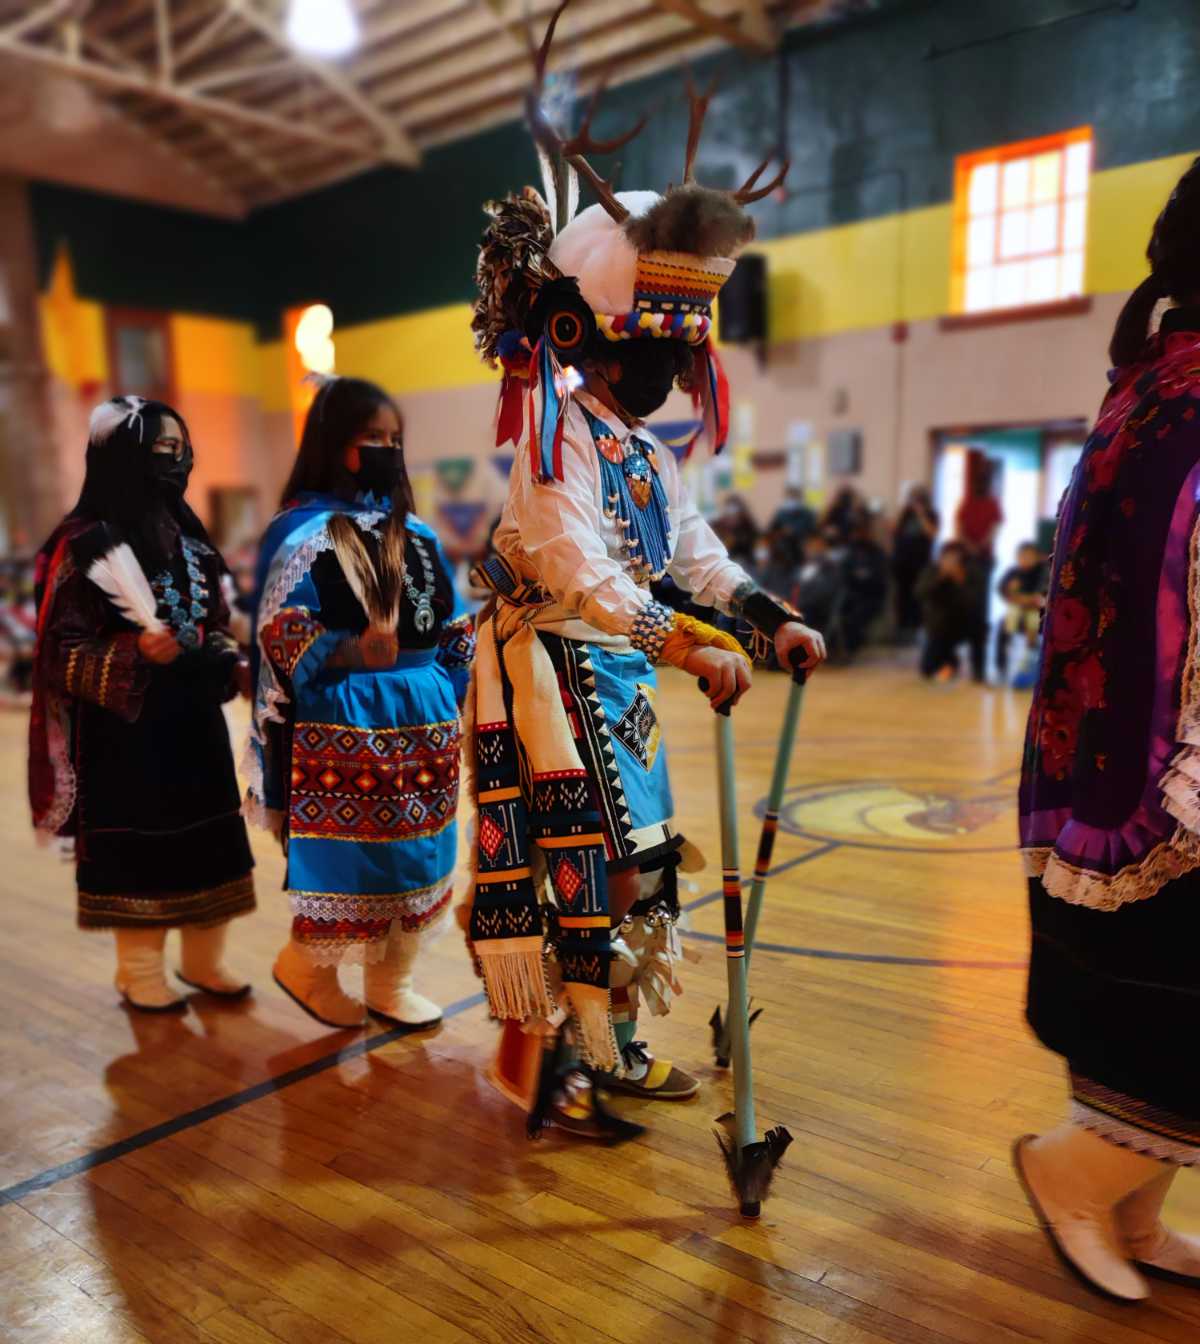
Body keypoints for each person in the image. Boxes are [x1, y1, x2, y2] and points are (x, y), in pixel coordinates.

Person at [466, 34, 825, 1138]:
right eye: (653, 348)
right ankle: (583, 1054)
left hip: (617, 670)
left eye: (681, 353)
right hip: (549, 668)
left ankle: (600, 1041)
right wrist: (683, 645)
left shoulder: (647, 451)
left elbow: (693, 551)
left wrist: (766, 618)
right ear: (595, 339)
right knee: (592, 865)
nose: (672, 371)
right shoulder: (554, 432)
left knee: (642, 862)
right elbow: (575, 562)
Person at [1015, 157, 1200, 1302]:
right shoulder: (1178, 401)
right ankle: (1074, 1177)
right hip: (1160, 769)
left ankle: (1133, 1207)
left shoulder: (1157, 386)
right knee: (1175, 1017)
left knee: (1163, 1012)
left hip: (1131, 761)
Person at [245, 377, 474, 1030]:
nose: (385, 449)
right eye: (370, 437)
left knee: (418, 856)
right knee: (357, 862)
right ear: (332, 442)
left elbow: (452, 620)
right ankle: (307, 968)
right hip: (346, 719)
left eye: (394, 439)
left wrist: (456, 682)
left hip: (424, 720)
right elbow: (277, 630)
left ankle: (390, 982)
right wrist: (348, 653)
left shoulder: (419, 533)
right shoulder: (300, 533)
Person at [29, 396, 255, 1011]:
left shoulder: (191, 538)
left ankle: (205, 961)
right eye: (163, 449)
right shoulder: (81, 545)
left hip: (194, 725)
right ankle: (139, 970)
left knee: (212, 842)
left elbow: (213, 619)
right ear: (122, 456)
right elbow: (57, 652)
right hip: (125, 735)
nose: (178, 460)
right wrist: (132, 651)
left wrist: (218, 653)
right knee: (139, 850)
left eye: (182, 449)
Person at [955, 456, 1003, 682]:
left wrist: (976, 546)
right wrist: (972, 546)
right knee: (969, 610)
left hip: (981, 560)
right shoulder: (968, 502)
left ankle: (979, 667)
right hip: (971, 559)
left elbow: (994, 529)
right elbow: (959, 529)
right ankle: (972, 666)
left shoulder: (991, 503)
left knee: (979, 613)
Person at [915, 541, 979, 681]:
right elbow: (920, 593)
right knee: (927, 668)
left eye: (955, 558)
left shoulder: (970, 572)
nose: (951, 561)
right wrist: (940, 578)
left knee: (943, 655)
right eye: (947, 557)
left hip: (962, 623)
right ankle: (950, 661)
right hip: (937, 624)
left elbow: (972, 602)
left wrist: (960, 581)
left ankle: (952, 662)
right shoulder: (932, 571)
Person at [891, 485, 939, 638]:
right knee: (902, 595)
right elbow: (893, 530)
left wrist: (921, 514)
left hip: (920, 561)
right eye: (913, 498)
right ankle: (902, 627)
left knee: (918, 595)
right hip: (902, 560)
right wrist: (903, 511)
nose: (915, 502)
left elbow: (931, 533)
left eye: (918, 499)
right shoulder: (905, 514)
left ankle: (917, 627)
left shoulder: (931, 514)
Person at [996, 541, 1046, 686]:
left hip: (1037, 613)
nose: (1025, 559)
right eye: (1022, 556)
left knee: (1035, 626)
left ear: (1037, 557)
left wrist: (1022, 599)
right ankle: (1001, 668)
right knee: (1003, 626)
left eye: (1029, 556)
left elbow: (1040, 595)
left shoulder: (1043, 571)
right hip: (1017, 611)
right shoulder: (1013, 572)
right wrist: (1016, 596)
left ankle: (1031, 668)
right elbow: (1003, 591)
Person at [841, 519, 888, 657]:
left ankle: (851, 649)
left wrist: (863, 576)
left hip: (871, 596)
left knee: (856, 616)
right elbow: (845, 573)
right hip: (852, 594)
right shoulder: (850, 551)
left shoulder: (877, 553)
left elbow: (879, 578)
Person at [769, 486, 817, 564]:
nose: (791, 500)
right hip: (784, 548)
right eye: (789, 497)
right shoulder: (781, 513)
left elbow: (812, 529)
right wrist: (781, 532)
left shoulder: (807, 513)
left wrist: (795, 530)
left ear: (799, 498)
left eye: (794, 497)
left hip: (801, 545)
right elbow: (772, 529)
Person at [711, 493, 759, 569]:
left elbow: (754, 542)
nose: (732, 518)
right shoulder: (720, 525)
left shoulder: (747, 525)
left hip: (745, 564)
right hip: (726, 564)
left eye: (735, 513)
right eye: (729, 514)